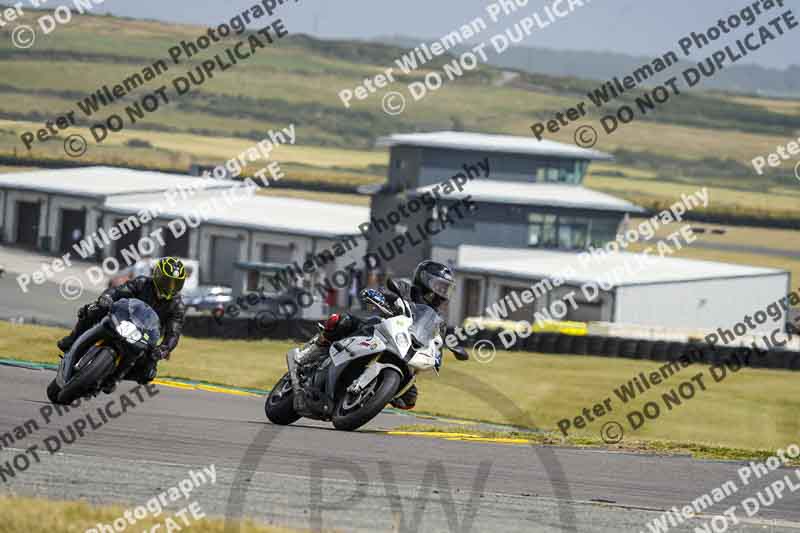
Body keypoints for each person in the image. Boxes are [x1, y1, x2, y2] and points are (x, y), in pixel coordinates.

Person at [291, 260, 456, 411]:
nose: (442, 292)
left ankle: (378, 391)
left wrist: (438, 355)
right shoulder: (405, 289)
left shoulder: (436, 320)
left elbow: (436, 342)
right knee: (342, 320)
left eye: (446, 288)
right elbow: (385, 292)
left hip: (404, 350)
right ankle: (313, 351)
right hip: (378, 329)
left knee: (409, 400)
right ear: (424, 280)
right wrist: (378, 296)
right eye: (439, 286)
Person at [57, 257, 188, 390]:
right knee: (92, 310)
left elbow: (174, 333)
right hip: (123, 317)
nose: (171, 287)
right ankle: (72, 340)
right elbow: (118, 291)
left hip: (146, 336)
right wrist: (107, 298)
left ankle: (114, 379)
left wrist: (164, 349)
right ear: (157, 276)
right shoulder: (142, 283)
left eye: (176, 283)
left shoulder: (177, 306)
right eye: (167, 281)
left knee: (148, 373)